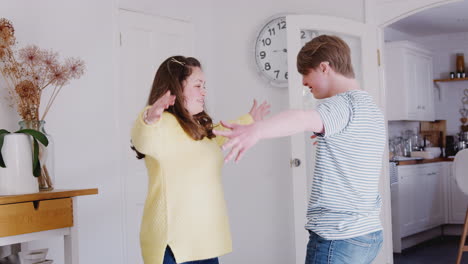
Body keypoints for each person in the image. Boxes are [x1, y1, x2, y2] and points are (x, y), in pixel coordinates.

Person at [214, 35, 386, 264]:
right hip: (367, 234)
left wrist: (256, 130)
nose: (304, 82)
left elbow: (301, 119)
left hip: (338, 235)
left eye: (306, 73)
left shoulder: (341, 104)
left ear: (325, 67)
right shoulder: (371, 108)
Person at [130, 55, 270, 264]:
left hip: (203, 242)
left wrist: (249, 121)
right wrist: (151, 116)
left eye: (204, 85)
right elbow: (143, 139)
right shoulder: (162, 124)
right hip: (173, 246)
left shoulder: (198, 128)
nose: (204, 92)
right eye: (198, 85)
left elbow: (220, 132)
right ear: (176, 87)